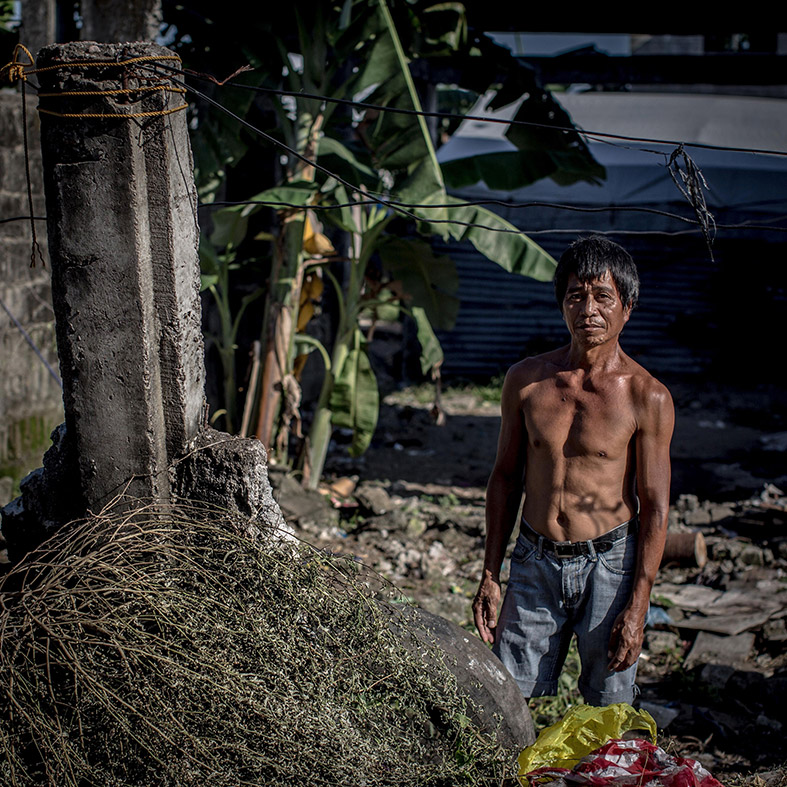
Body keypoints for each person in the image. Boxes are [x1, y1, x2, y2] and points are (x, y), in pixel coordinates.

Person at [472, 235, 674, 706]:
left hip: (610, 566)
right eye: (576, 295)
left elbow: (656, 506)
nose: (588, 309)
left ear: (627, 307)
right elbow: (505, 478)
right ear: (562, 304)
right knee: (505, 701)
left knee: (608, 705)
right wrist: (490, 573)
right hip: (534, 559)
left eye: (603, 296)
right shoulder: (527, 381)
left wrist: (638, 604)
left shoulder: (647, 396)